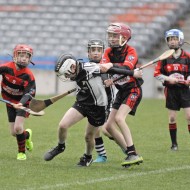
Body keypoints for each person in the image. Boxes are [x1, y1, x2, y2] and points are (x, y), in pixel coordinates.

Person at [44, 53, 142, 167]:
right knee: (62, 125)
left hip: (98, 107)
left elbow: (109, 69)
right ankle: (60, 147)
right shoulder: (76, 72)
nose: (66, 77)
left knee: (88, 136)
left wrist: (132, 73)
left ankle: (88, 157)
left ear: (72, 67)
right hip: (82, 102)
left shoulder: (89, 67)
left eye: (66, 74)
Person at [100, 22, 144, 167]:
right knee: (107, 128)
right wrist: (107, 79)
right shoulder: (107, 52)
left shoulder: (131, 51)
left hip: (133, 90)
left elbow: (126, 67)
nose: (111, 38)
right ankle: (130, 153)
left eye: (114, 36)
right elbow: (103, 70)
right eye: (110, 35)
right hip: (121, 92)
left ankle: (132, 153)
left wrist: (113, 67)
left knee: (119, 118)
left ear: (124, 38)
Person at [154, 29, 190, 151]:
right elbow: (157, 74)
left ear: (180, 40)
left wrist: (189, 79)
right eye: (170, 40)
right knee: (172, 118)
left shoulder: (187, 56)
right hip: (171, 91)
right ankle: (174, 145)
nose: (172, 42)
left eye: (175, 39)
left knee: (189, 117)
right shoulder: (164, 57)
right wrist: (168, 78)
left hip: (185, 91)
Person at [0, 44, 35, 160]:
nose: (24, 58)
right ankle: (27, 135)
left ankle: (21, 153)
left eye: (27, 56)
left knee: (18, 128)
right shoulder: (6, 68)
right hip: (8, 101)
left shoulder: (28, 76)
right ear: (15, 56)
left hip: (22, 103)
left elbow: (29, 93)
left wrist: (21, 103)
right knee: (14, 133)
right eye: (21, 55)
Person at [87, 39, 115, 163]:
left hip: (107, 103)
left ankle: (127, 148)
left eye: (99, 50)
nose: (96, 53)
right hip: (94, 104)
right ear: (88, 53)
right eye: (93, 50)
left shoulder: (105, 67)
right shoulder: (87, 67)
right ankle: (102, 155)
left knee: (104, 130)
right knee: (96, 130)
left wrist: (107, 83)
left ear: (102, 52)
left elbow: (107, 79)